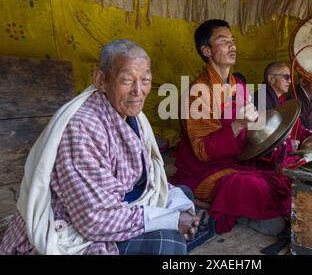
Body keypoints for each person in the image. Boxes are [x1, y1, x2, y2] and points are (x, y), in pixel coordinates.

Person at [0, 40, 202, 255]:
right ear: (101, 80)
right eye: (127, 80)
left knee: (184, 196)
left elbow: (150, 179)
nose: (138, 91)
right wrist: (171, 220)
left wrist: (178, 208)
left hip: (120, 205)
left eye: (145, 80)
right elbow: (93, 219)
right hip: (77, 223)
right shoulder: (82, 127)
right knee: (168, 244)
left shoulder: (134, 117)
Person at [171, 20, 312, 235]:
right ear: (206, 50)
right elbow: (202, 150)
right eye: (223, 41)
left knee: (288, 171)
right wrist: (239, 123)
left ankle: (255, 211)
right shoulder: (198, 93)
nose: (233, 46)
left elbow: (253, 133)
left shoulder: (238, 86)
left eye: (233, 40)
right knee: (250, 186)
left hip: (241, 159)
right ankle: (245, 214)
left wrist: (274, 141)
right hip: (207, 171)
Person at [253, 62, 312, 151]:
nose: (290, 81)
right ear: (271, 79)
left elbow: (297, 127)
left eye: (290, 77)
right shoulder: (260, 100)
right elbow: (260, 140)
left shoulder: (281, 100)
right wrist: (287, 146)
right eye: (286, 77)